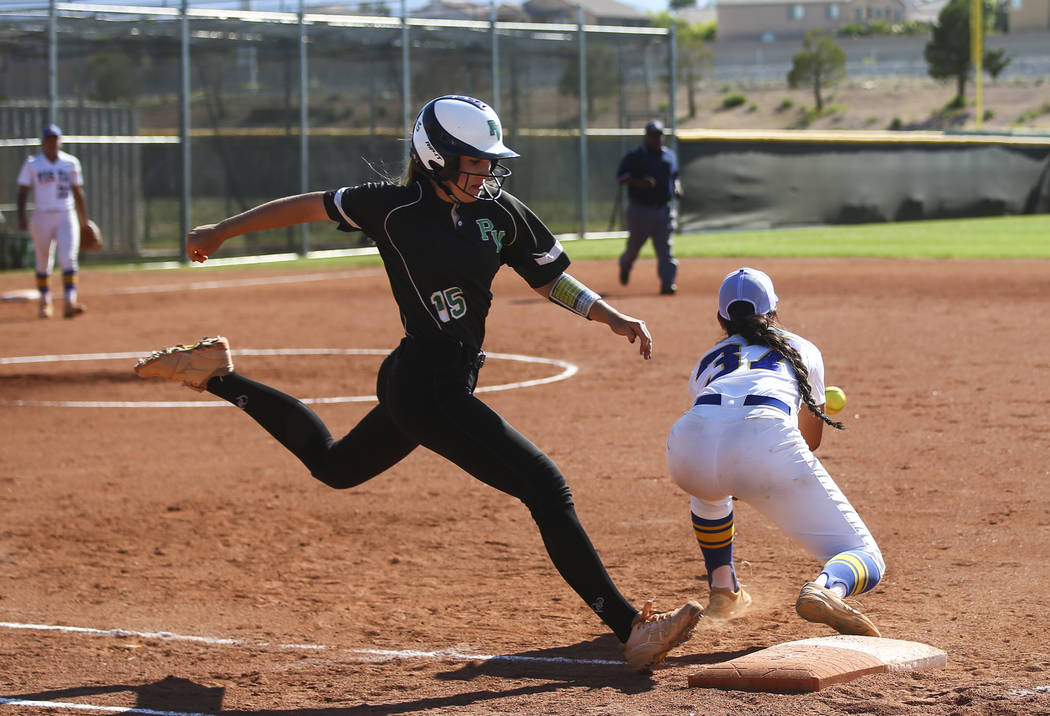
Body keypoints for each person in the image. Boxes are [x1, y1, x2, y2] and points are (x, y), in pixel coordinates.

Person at [134, 95, 702, 671]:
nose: (487, 171)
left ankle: (218, 377)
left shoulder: (500, 212)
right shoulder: (393, 208)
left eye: (489, 161)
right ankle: (631, 627)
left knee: (336, 466)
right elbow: (304, 207)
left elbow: (550, 279)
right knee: (545, 487)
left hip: (434, 382)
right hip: (425, 385)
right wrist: (223, 230)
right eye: (474, 161)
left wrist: (610, 315)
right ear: (436, 158)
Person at [664, 267, 885, 636]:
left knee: (710, 490)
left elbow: (719, 431)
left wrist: (735, 472)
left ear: (721, 317)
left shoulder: (707, 359)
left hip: (687, 446)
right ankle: (826, 589)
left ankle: (723, 590)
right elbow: (810, 441)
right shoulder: (802, 348)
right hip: (765, 438)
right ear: (774, 311)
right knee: (866, 557)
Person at [16, 123, 90, 319]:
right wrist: (22, 217)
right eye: (48, 139)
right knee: (43, 260)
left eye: (55, 138)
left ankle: (69, 301)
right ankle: (44, 301)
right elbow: (23, 192)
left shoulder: (70, 162)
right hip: (41, 216)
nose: (52, 142)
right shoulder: (33, 164)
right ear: (43, 142)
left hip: (66, 214)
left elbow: (78, 192)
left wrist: (85, 221)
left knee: (68, 258)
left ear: (60, 141)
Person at [615, 120, 682, 295]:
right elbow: (621, 177)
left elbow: (675, 176)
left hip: (664, 210)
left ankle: (668, 283)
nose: (656, 138)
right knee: (634, 248)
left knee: (666, 249)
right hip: (640, 211)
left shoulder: (669, 156)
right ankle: (625, 264)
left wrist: (677, 188)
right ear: (646, 137)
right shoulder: (635, 156)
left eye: (659, 135)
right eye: (653, 135)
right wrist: (639, 183)